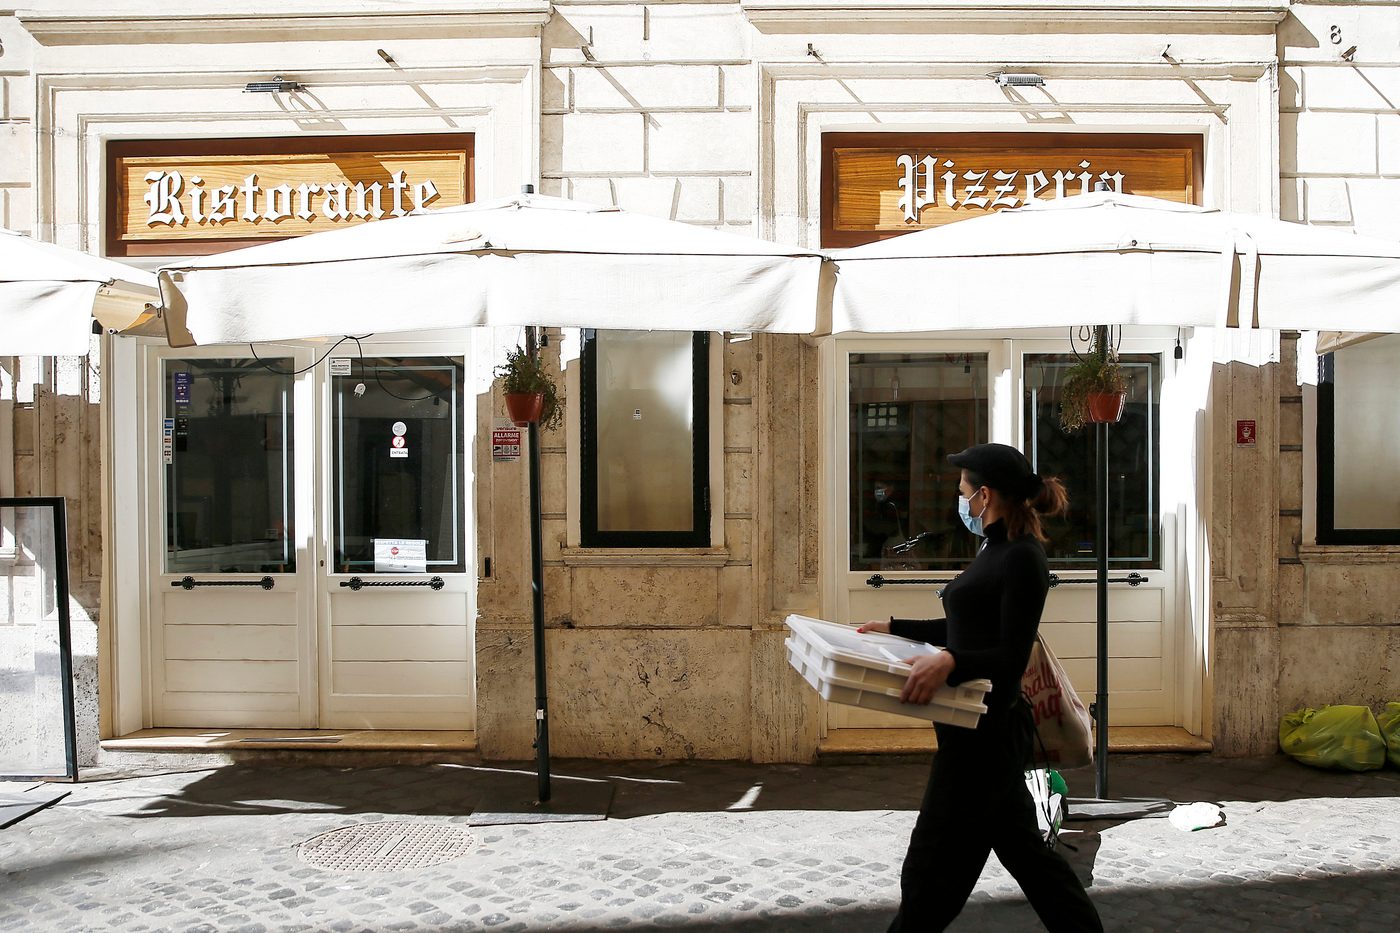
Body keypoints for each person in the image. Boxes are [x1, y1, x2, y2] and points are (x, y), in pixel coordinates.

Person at [859, 443, 1103, 932]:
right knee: (1032, 861)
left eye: (962, 491)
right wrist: (894, 626)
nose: (960, 499)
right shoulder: (994, 548)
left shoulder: (1023, 557)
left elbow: (1011, 656)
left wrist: (951, 661)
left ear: (984, 496)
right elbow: (966, 626)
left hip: (985, 740)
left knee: (931, 870)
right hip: (973, 732)